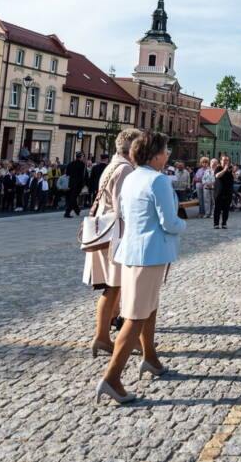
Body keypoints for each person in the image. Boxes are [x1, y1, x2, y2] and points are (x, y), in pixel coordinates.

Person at [97, 131, 186, 405]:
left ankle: (151, 358)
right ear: (155, 154)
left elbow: (124, 213)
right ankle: (112, 377)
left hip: (132, 249)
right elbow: (169, 222)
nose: (168, 154)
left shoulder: (133, 176)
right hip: (150, 253)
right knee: (135, 316)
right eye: (165, 150)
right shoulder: (157, 180)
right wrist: (184, 224)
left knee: (149, 307)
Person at [85, 128, 142, 358]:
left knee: (114, 287)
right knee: (116, 287)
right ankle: (104, 336)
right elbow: (122, 208)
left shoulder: (112, 166)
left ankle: (106, 336)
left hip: (108, 232)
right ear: (132, 149)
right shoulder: (125, 169)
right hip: (117, 236)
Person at [213, 154, 234, 229]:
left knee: (226, 209)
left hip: (228, 192)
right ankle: (216, 223)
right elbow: (217, 176)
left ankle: (224, 223)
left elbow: (233, 178)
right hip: (219, 192)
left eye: (227, 160)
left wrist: (232, 172)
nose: (226, 161)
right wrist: (224, 170)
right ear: (221, 161)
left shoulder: (230, 169)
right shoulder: (218, 168)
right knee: (217, 209)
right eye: (224, 160)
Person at [65, 152, 87, 218]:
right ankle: (67, 212)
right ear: (80, 157)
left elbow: (67, 174)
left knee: (72, 197)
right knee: (73, 198)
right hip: (78, 184)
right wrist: (83, 183)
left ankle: (77, 210)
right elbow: (82, 175)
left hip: (71, 183)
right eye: (82, 157)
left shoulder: (70, 164)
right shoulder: (82, 164)